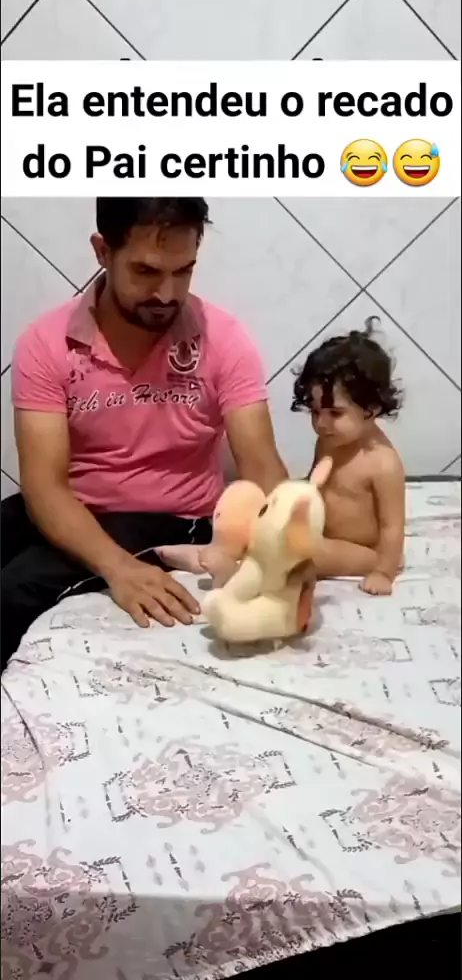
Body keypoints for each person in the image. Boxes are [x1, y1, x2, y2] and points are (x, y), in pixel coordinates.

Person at [1, 197, 287, 668]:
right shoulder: (46, 343)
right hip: (73, 508)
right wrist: (119, 567)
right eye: (146, 272)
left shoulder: (224, 339)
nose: (167, 294)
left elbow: (261, 465)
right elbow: (44, 488)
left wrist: (288, 546)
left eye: (183, 271)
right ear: (102, 251)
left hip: (173, 517)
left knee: (13, 591)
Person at [291, 317, 405, 595]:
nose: (321, 423)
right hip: (326, 536)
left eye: (335, 413)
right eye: (315, 411)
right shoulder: (329, 441)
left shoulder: (382, 462)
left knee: (308, 554)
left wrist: (384, 571)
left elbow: (392, 526)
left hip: (366, 552)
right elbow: (315, 485)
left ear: (371, 409)